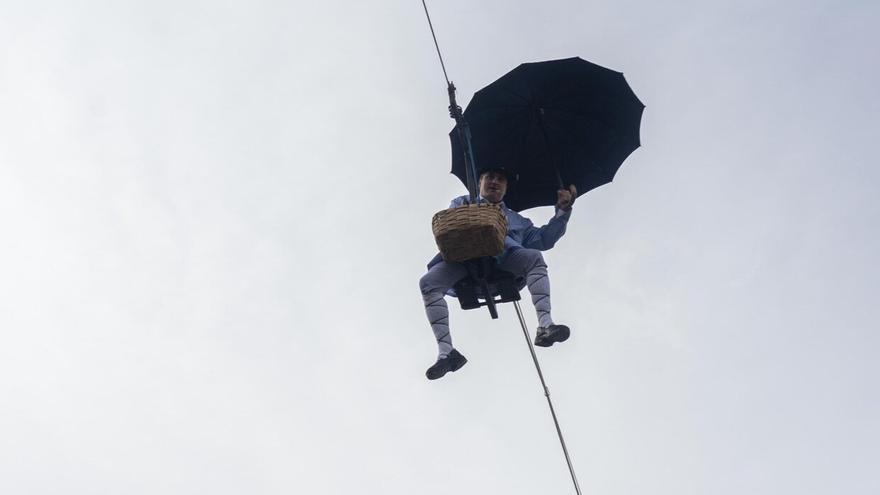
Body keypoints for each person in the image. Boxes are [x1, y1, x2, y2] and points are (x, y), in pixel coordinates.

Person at [419, 167, 577, 380]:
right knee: (428, 283)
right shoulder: (462, 203)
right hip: (465, 260)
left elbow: (544, 239)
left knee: (534, 258)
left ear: (506, 188)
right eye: (490, 177)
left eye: (500, 179)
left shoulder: (518, 221)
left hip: (504, 261)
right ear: (480, 182)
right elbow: (450, 230)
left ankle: (545, 325)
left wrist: (563, 211)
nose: (494, 182)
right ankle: (447, 354)